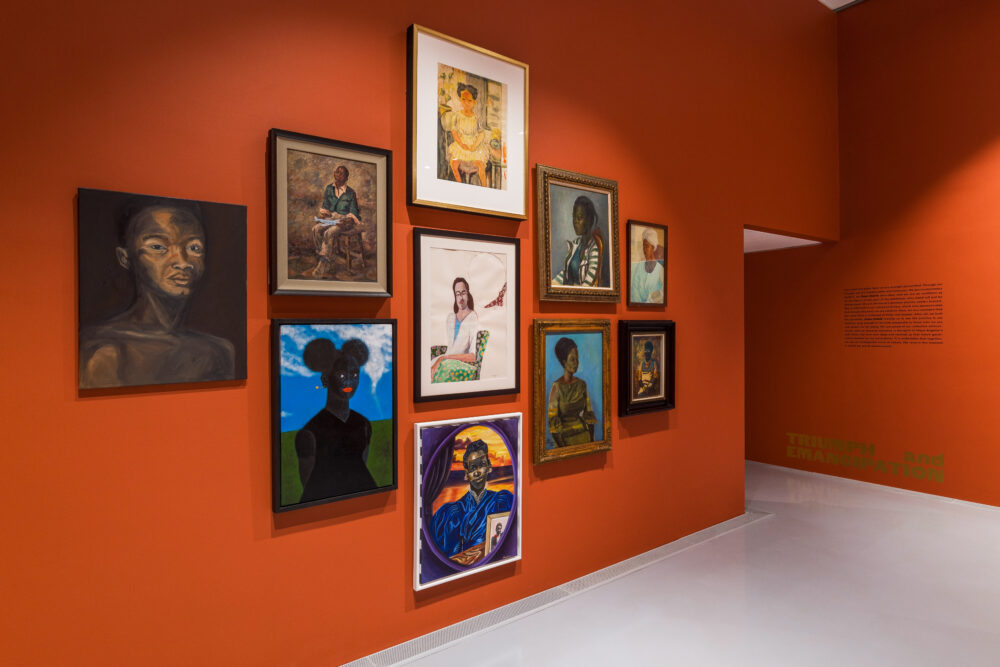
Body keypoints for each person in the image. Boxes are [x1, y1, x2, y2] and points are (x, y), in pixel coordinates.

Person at [79, 202, 235, 388]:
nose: (183, 262)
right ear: (125, 258)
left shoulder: (218, 352)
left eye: (194, 248)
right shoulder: (105, 351)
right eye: (158, 247)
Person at [295, 338, 376, 503]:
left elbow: (362, 464)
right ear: (325, 379)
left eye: (354, 374)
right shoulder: (309, 434)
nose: (349, 381)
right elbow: (309, 485)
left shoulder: (363, 425)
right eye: (341, 374)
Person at [431, 439, 514, 558]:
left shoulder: (501, 501)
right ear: (466, 474)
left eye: (482, 465)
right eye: (473, 467)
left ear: (489, 467)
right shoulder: (452, 513)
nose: (477, 472)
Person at [310, 165, 362, 278]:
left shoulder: (350, 192)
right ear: (334, 174)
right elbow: (325, 206)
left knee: (329, 232)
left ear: (346, 177)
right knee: (316, 229)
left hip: (345, 220)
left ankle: (323, 262)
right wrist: (324, 215)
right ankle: (326, 256)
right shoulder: (329, 188)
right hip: (331, 218)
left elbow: (354, 211)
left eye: (342, 173)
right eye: (337, 172)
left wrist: (347, 220)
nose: (338, 175)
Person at [547, 337, 598, 447]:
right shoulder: (556, 387)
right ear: (564, 362)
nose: (576, 363)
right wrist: (562, 447)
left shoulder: (582, 384)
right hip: (564, 440)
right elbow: (553, 421)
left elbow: (589, 414)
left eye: (577, 359)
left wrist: (591, 441)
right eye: (572, 359)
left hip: (584, 437)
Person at [431, 277, 481, 383]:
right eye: (457, 294)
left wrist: (444, 358)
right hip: (446, 360)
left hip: (460, 364)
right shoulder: (450, 317)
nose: (461, 297)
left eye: (463, 293)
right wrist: (441, 359)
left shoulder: (473, 317)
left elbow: (472, 356)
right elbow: (450, 348)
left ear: (468, 294)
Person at [552, 196, 608, 288]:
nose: (575, 222)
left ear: (589, 220)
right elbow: (565, 274)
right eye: (574, 217)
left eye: (579, 218)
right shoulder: (575, 244)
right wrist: (551, 285)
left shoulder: (594, 249)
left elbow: (588, 285)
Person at [444, 83, 489, 186]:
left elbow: (481, 134)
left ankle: (484, 187)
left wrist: (474, 146)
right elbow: (454, 131)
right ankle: (460, 185)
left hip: (474, 145)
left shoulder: (476, 117)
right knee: (454, 164)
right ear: (460, 99)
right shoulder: (456, 116)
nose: (466, 103)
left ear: (474, 102)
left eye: (469, 100)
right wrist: (461, 144)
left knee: (480, 165)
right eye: (463, 99)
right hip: (461, 144)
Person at [630, 228, 664, 303]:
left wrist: (650, 301)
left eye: (647, 246)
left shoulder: (660, 270)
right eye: (643, 246)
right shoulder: (639, 267)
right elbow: (634, 291)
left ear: (653, 247)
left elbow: (663, 293)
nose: (644, 249)